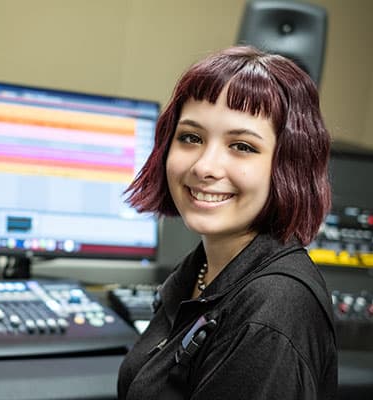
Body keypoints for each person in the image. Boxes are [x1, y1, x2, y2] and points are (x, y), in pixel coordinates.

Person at [118, 46, 337, 399]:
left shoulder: (270, 316)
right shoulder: (203, 271)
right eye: (191, 138)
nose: (205, 166)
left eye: (242, 146)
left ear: (288, 165)